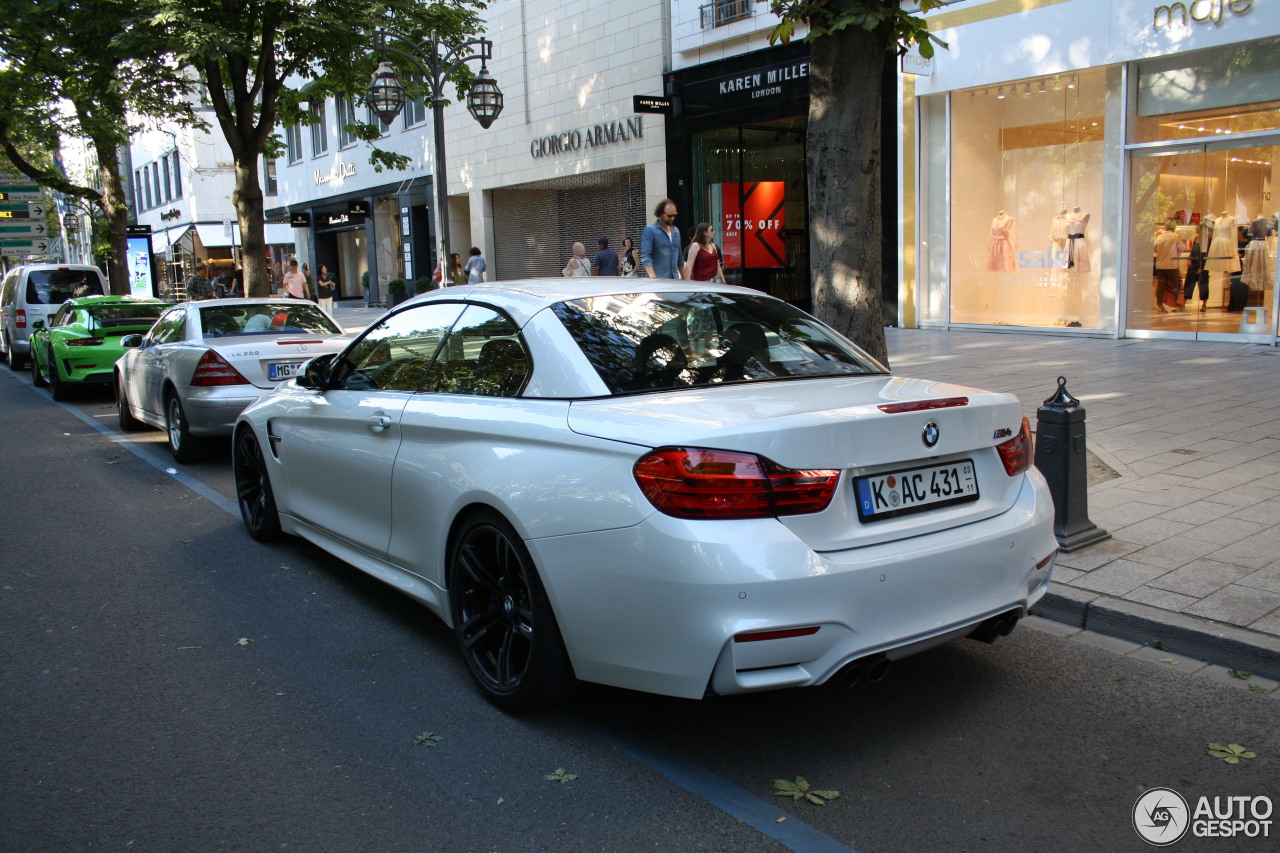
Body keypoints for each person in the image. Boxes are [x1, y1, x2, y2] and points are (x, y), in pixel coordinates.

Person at [641, 198, 684, 279]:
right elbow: (646, 257)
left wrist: (685, 280)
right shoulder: (650, 230)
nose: (672, 218)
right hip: (658, 281)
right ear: (660, 214)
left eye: (674, 215)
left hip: (675, 280)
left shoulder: (676, 231)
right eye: (669, 216)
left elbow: (679, 257)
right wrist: (653, 277)